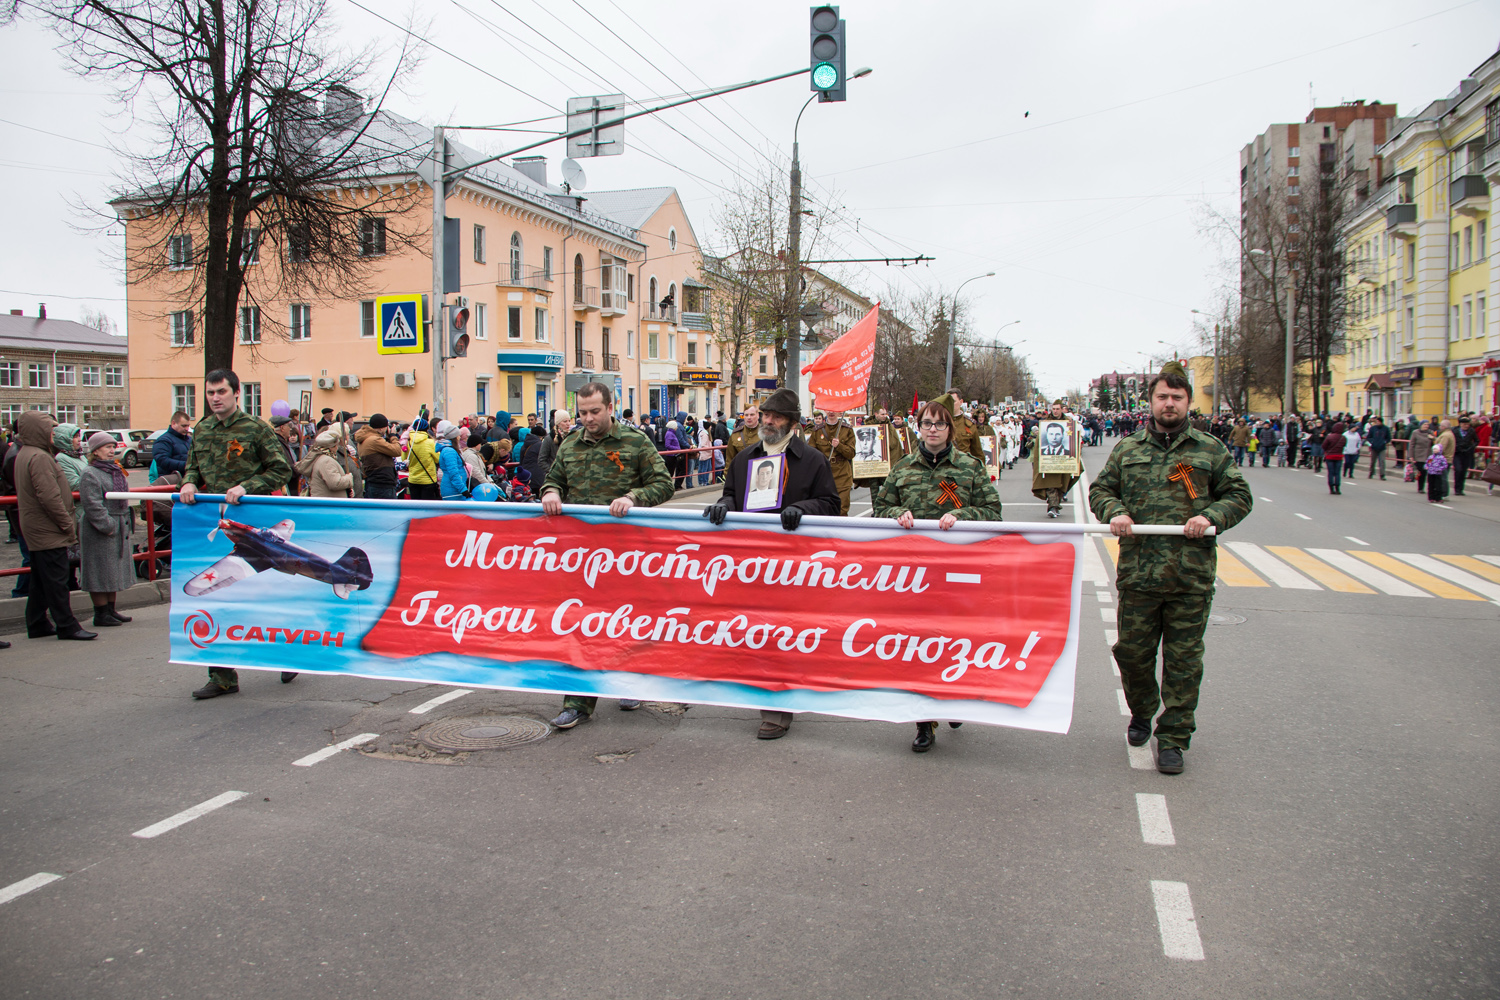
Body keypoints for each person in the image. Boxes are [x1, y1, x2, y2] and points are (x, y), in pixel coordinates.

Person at [1090, 361, 1252, 774]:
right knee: (1132, 654)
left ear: (1188, 403)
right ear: (1151, 401)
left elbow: (1239, 495)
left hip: (1189, 577)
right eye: (1162, 396)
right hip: (1139, 575)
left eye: (1177, 398)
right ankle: (1142, 710)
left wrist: (1211, 516)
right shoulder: (1129, 449)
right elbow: (1102, 489)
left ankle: (1174, 737)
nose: (1169, 404)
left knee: (1183, 663)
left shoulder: (1209, 449)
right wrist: (1115, 511)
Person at [703, 388, 839, 741]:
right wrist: (724, 504)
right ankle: (762, 690)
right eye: (765, 414)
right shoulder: (745, 458)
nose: (767, 421)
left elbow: (830, 502)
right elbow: (731, 492)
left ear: (792, 424)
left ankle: (778, 708)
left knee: (783, 633)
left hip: (794, 563)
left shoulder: (812, 460)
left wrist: (802, 510)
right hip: (752, 561)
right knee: (756, 631)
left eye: (776, 417)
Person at [541, 382, 674, 729]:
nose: (588, 419)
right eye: (582, 413)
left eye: (594, 412)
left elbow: (663, 483)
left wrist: (633, 497)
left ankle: (629, 682)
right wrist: (551, 492)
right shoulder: (569, 444)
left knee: (624, 620)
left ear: (610, 407)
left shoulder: (635, 442)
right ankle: (577, 703)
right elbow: (552, 480)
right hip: (580, 555)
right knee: (580, 622)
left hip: (624, 554)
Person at [873, 400, 1002, 753]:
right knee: (919, 644)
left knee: (955, 641)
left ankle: (954, 699)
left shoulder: (969, 467)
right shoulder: (902, 468)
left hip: (958, 572)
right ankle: (924, 720)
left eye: (939, 424)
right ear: (918, 427)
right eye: (926, 423)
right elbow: (881, 507)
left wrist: (964, 515)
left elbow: (994, 511)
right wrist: (898, 513)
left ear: (950, 429)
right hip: (914, 575)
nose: (932, 429)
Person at [180, 368, 295, 697]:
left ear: (236, 393)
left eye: (221, 392)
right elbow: (193, 465)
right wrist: (188, 480)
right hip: (216, 523)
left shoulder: (256, 428)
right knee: (216, 595)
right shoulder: (201, 429)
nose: (215, 398)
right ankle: (222, 677)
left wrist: (247, 486)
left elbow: (282, 469)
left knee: (265, 595)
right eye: (210, 393)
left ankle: (289, 654)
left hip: (254, 521)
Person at [13, 411, 92, 642]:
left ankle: (37, 622)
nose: (53, 434)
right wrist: (67, 524)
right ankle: (67, 625)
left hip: (37, 526)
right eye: (50, 430)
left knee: (40, 579)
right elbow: (49, 496)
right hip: (48, 528)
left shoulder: (27, 453)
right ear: (39, 431)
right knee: (57, 580)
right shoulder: (40, 457)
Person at [78, 431, 136, 628]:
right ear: (95, 452)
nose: (112, 451)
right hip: (100, 528)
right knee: (100, 570)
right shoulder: (90, 473)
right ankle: (101, 613)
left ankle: (111, 610)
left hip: (117, 524)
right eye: (107, 447)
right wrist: (108, 525)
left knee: (113, 570)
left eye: (113, 446)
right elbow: (92, 503)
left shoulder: (114, 470)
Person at [1029, 399, 1081, 518]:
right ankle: (1052, 507)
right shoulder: (1046, 422)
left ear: (1062, 409)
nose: (1056, 411)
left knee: (1061, 484)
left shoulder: (1068, 422)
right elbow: (1040, 442)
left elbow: (1073, 440)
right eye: (1054, 409)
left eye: (1058, 409)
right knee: (1051, 484)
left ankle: (1056, 505)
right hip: (1048, 460)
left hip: (1064, 460)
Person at [810, 409, 857, 515]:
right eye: (829, 410)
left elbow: (851, 453)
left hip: (842, 474)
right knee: (824, 508)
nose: (831, 412)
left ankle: (841, 531)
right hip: (824, 473)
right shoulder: (817, 431)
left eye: (834, 410)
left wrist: (839, 446)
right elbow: (811, 453)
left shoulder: (846, 430)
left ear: (839, 412)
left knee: (842, 509)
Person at [296, 427, 355, 497]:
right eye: (336, 445)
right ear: (331, 447)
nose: (337, 447)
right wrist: (349, 478)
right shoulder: (326, 461)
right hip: (328, 505)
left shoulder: (322, 458)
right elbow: (335, 483)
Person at [357, 414, 403, 499]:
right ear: (381, 428)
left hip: (375, 482)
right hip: (382, 484)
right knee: (388, 511)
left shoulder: (366, 438)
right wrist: (393, 436)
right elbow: (397, 451)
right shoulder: (374, 440)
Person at [405, 417, 441, 500]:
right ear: (427, 429)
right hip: (428, 480)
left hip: (413, 479)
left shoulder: (409, 442)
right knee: (428, 508)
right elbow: (437, 459)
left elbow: (405, 459)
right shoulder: (430, 442)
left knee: (416, 506)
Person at [433, 420, 469, 499]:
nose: (460, 437)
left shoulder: (450, 450)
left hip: (454, 489)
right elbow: (453, 472)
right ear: (455, 437)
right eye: (458, 435)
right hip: (453, 491)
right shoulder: (449, 451)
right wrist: (463, 489)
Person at [152, 410, 192, 479]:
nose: (187, 429)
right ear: (174, 423)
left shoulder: (189, 439)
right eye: (184, 426)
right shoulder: (163, 440)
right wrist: (186, 465)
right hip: (172, 481)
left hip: (187, 479)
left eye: (188, 426)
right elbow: (163, 461)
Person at [537, 408, 573, 480]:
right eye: (565, 421)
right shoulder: (549, 439)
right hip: (555, 479)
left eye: (569, 421)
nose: (568, 424)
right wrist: (553, 472)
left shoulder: (572, 437)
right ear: (558, 424)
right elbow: (541, 460)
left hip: (570, 478)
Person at [269, 416, 301, 495]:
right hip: (286, 487)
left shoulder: (281, 442)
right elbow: (283, 467)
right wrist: (297, 468)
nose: (290, 429)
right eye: (289, 426)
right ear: (282, 428)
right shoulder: (277, 443)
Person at [1452, 416, 1477, 496]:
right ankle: (1456, 488)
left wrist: (1471, 447)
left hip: (1466, 454)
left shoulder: (1471, 431)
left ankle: (1460, 489)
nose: (1466, 426)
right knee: (1458, 469)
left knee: (1463, 471)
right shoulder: (1454, 431)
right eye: (1465, 424)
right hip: (1457, 453)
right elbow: (1451, 440)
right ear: (1461, 424)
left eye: (1468, 424)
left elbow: (1477, 441)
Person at [1407, 420, 1433, 492]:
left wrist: (1432, 438)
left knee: (1425, 472)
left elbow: (1435, 443)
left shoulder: (1430, 432)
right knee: (1421, 471)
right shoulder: (1415, 432)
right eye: (1425, 424)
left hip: (1428, 455)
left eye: (1427, 425)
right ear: (1421, 425)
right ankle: (1420, 487)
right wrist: (1411, 456)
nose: (1426, 426)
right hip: (1418, 455)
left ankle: (1423, 487)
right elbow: (1411, 445)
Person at [1321, 422, 1347, 495]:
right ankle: (1337, 488)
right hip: (1339, 457)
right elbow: (1344, 445)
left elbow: (1324, 446)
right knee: (1337, 473)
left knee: (1331, 472)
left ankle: (1331, 488)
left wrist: (1327, 450)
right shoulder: (1343, 438)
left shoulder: (1329, 437)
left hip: (1329, 456)